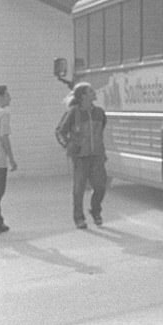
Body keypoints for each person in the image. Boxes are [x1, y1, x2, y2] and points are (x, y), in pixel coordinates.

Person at [55, 82, 107, 229]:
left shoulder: (100, 113)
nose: (94, 92)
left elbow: (102, 129)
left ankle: (95, 210)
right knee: (79, 189)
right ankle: (79, 218)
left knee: (100, 186)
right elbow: (60, 131)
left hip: (97, 156)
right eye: (90, 91)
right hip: (80, 157)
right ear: (83, 96)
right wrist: (68, 145)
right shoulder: (73, 113)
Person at [0, 85, 18, 235]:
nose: (10, 97)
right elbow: (4, 137)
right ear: (1, 96)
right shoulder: (3, 113)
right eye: (7, 95)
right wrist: (11, 159)